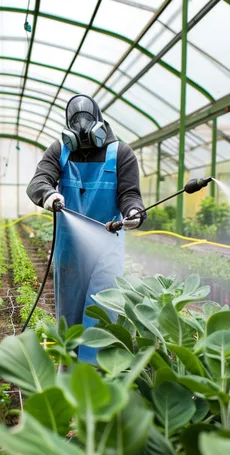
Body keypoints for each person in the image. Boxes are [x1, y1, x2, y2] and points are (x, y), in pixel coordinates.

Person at [26, 94, 146, 363]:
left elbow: (130, 194)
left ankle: (96, 373)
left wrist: (134, 212)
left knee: (102, 309)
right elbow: (38, 181)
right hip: (70, 249)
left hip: (107, 246)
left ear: (99, 124)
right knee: (69, 316)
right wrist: (48, 195)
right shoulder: (59, 150)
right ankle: (68, 371)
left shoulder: (121, 153)